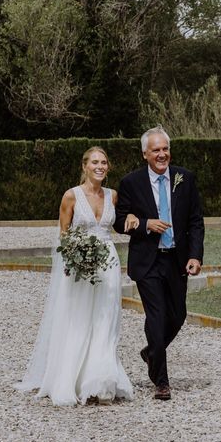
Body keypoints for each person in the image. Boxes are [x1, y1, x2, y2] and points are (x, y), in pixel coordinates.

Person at [15, 146, 133, 406]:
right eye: (94, 162)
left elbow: (121, 221)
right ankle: (71, 379)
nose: (100, 166)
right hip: (80, 268)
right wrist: (77, 257)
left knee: (106, 319)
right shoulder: (71, 196)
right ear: (85, 166)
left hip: (109, 264)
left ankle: (101, 380)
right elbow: (64, 234)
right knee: (79, 320)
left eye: (104, 162)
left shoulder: (113, 196)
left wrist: (133, 217)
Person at [114, 126, 205, 401]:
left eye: (165, 149)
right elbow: (119, 221)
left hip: (177, 259)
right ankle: (161, 382)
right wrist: (145, 224)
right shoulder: (131, 183)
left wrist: (195, 255)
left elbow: (195, 221)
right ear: (145, 154)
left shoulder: (184, 178)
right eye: (156, 150)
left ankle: (151, 352)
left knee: (177, 315)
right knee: (156, 316)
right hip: (148, 262)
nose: (162, 154)